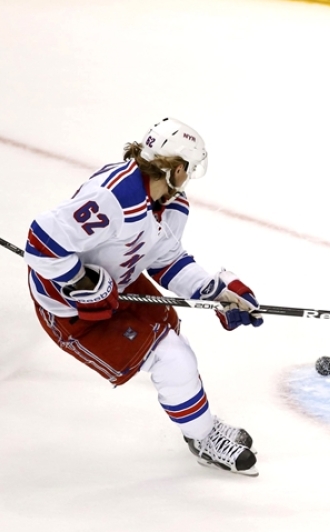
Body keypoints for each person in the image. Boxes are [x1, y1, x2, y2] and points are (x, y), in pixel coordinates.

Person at [24, 117, 263, 475]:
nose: (188, 179)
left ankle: (199, 422)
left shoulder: (171, 204)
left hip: (118, 281)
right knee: (173, 358)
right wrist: (80, 282)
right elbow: (41, 243)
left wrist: (215, 291)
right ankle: (203, 438)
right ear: (176, 168)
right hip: (67, 306)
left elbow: (165, 261)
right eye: (188, 170)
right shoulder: (115, 196)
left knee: (170, 339)